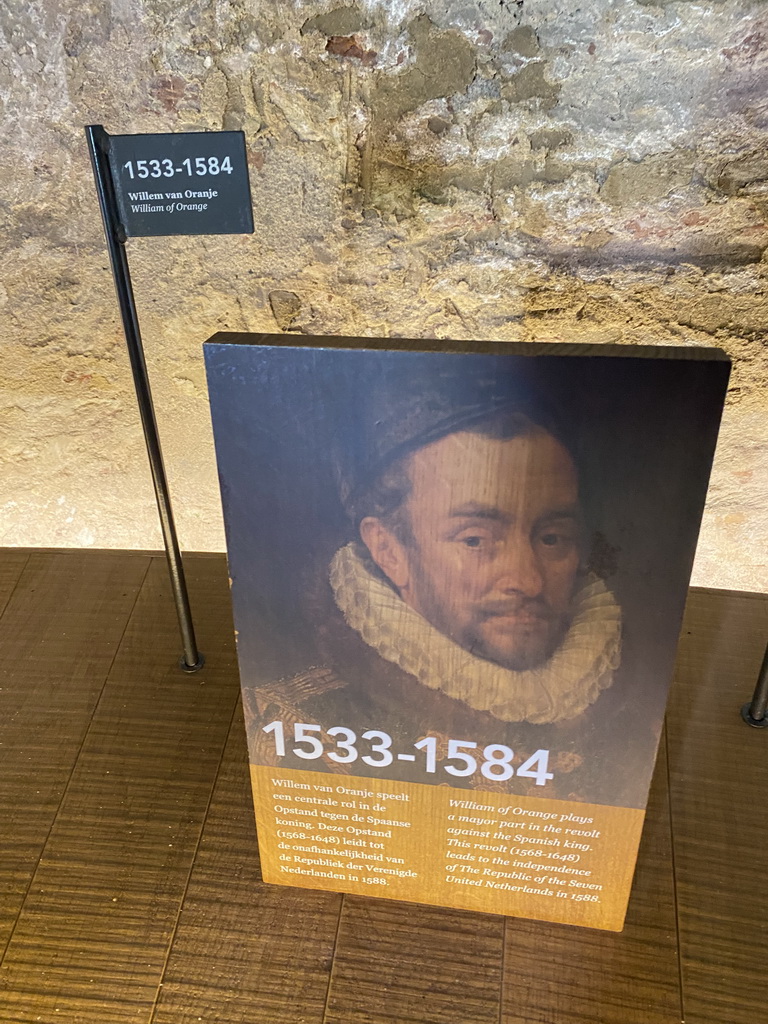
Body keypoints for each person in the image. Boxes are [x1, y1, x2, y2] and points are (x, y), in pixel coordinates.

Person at [243, 367, 651, 807]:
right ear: (389, 550)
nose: (528, 581)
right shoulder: (295, 721)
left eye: (551, 538)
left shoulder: (634, 712)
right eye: (474, 540)